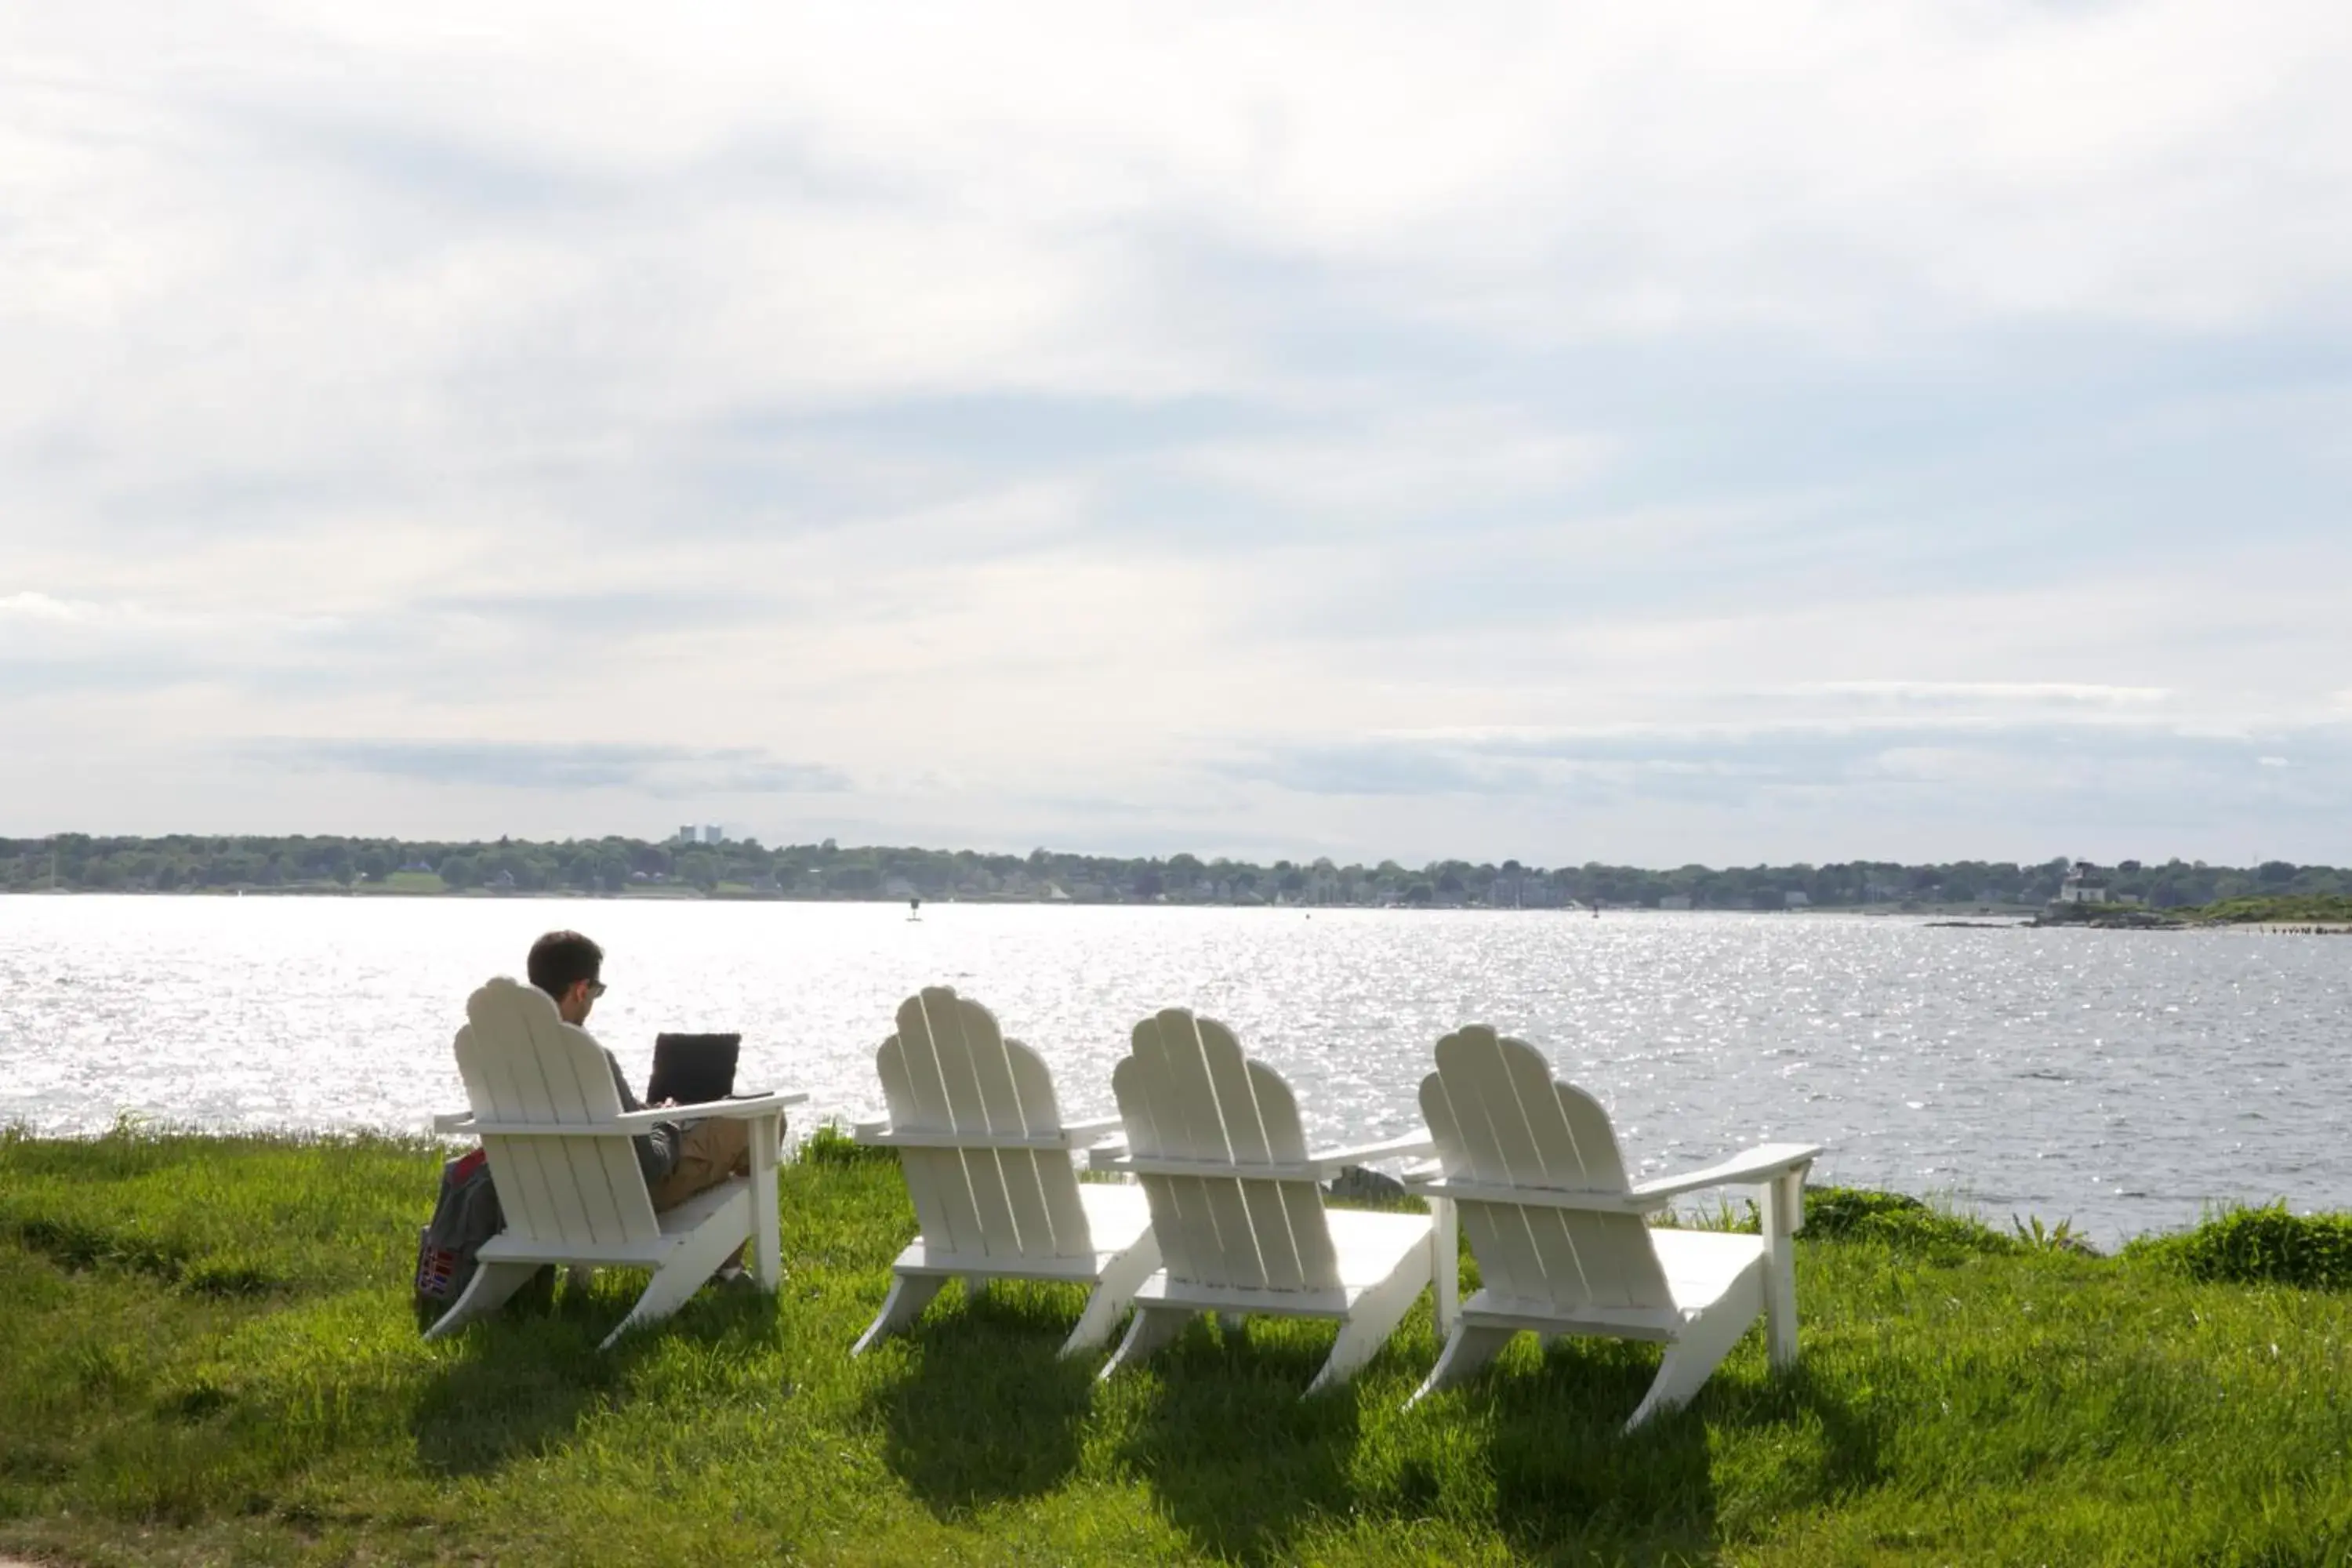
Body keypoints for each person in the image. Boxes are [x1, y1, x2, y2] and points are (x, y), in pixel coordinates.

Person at [524, 929, 753, 1214]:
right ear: (582, 990)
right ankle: (725, 1254)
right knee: (759, 1123)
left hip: (550, 1197)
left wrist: (639, 1111)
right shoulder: (591, 1059)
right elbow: (651, 1165)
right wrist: (667, 1121)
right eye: (597, 992)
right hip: (627, 1200)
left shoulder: (508, 1058)